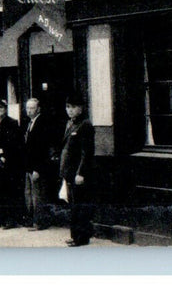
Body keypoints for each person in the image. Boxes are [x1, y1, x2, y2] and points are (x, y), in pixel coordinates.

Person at [60, 92, 95, 247]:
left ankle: (81, 237)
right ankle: (75, 235)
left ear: (81, 108)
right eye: (68, 107)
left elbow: (86, 152)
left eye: (73, 107)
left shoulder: (85, 125)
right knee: (74, 205)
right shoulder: (71, 124)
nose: (70, 110)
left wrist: (81, 173)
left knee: (80, 206)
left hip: (78, 174)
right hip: (70, 173)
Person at [22, 97, 58, 231]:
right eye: (27, 108)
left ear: (38, 109)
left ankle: (40, 222)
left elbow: (42, 149)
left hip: (37, 167)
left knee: (38, 196)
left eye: (32, 108)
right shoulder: (29, 123)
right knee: (30, 194)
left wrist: (38, 168)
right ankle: (32, 220)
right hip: (29, 166)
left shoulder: (42, 123)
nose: (29, 111)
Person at [0, 98, 23, 229]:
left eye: (1, 108)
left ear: (5, 109)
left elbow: (14, 143)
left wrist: (2, 155)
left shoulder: (12, 123)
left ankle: (10, 219)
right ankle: (0, 218)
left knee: (9, 191)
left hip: (8, 162)